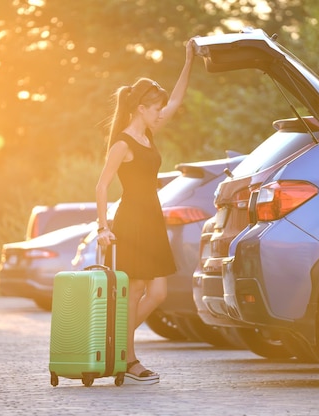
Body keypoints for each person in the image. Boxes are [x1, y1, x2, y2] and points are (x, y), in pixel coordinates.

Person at [95, 38, 196, 385]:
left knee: (159, 293)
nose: (160, 112)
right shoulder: (122, 142)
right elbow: (101, 186)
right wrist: (103, 228)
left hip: (152, 218)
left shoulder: (149, 134)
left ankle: (115, 347)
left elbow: (179, 100)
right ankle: (128, 358)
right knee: (136, 290)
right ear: (140, 108)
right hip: (132, 221)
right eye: (155, 107)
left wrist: (188, 60)